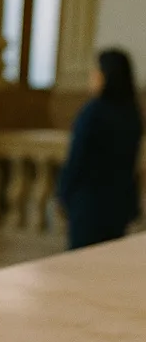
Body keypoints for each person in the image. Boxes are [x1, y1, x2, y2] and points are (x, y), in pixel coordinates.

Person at [57, 48, 144, 250]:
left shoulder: (93, 112)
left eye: (95, 72)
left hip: (89, 205)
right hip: (118, 206)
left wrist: (64, 193)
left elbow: (77, 159)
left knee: (82, 265)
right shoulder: (132, 114)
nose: (92, 77)